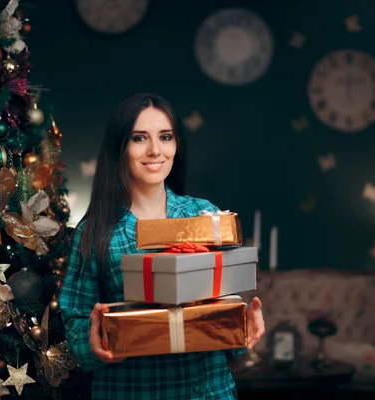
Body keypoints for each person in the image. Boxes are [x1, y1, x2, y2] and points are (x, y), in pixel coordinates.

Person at [60, 93, 265, 399]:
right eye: (139, 138)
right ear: (120, 147)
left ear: (175, 145)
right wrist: (92, 341)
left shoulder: (204, 216)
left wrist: (244, 325)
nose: (155, 150)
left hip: (206, 390)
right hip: (129, 390)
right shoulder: (94, 232)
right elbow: (74, 320)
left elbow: (223, 311)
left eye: (165, 137)